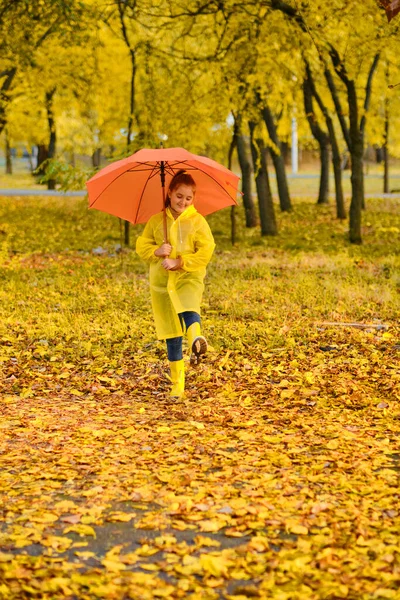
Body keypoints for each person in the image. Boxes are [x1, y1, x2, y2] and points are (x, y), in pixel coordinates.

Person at [136, 170, 215, 398]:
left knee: (190, 307)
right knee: (171, 331)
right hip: (162, 283)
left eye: (188, 198)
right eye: (179, 196)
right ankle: (177, 385)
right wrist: (156, 251)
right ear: (170, 193)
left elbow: (206, 250)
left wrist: (180, 261)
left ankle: (196, 340)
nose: (183, 202)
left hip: (188, 277)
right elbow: (142, 246)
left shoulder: (197, 222)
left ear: (193, 199)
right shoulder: (155, 221)